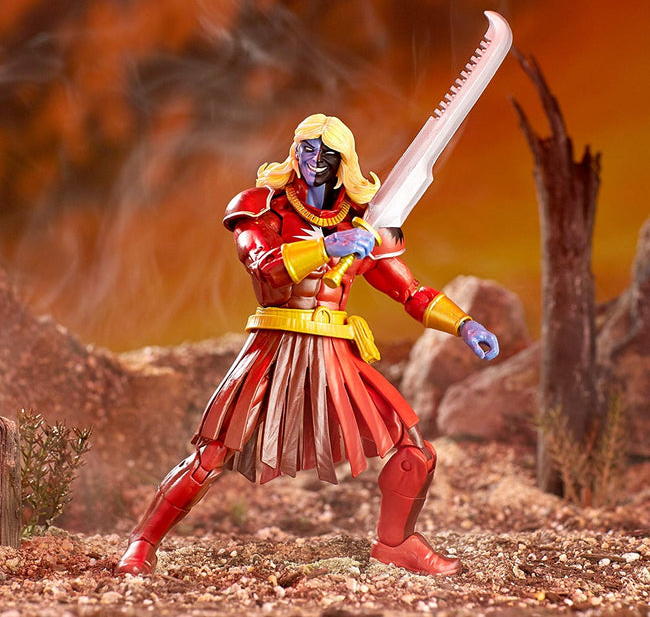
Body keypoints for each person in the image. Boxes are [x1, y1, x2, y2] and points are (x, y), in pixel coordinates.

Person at [116, 113, 499, 577]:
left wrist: (464, 324)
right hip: (275, 345)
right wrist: (328, 248)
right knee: (212, 453)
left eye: (328, 153)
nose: (315, 159)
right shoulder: (263, 206)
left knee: (413, 450)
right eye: (308, 148)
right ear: (294, 151)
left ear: (344, 162)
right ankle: (142, 543)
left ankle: (397, 544)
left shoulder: (363, 222)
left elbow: (410, 292)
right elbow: (263, 265)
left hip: (335, 351)